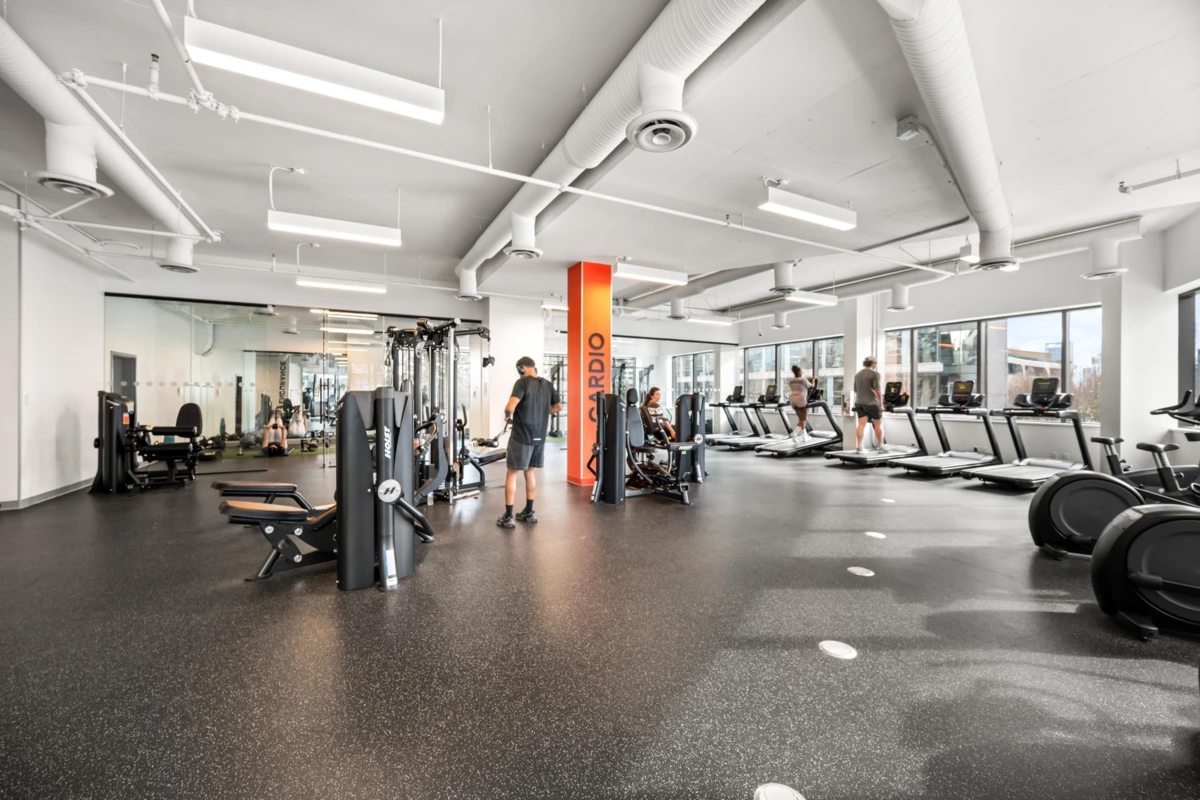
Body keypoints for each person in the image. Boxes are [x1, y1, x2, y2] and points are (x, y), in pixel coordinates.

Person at [498, 356, 561, 529]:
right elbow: (557, 407)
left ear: (521, 368)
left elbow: (511, 406)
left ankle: (508, 517)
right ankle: (529, 512)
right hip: (539, 437)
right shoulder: (548, 384)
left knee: (512, 473)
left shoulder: (522, 383)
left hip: (521, 436)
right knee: (530, 473)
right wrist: (542, 411)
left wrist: (507, 414)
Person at [853, 356, 884, 454]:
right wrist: (881, 404)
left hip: (859, 402)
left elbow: (855, 390)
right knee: (878, 424)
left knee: (861, 425)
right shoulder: (875, 374)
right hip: (871, 403)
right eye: (876, 363)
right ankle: (881, 446)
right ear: (873, 363)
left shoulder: (857, 374)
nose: (876, 365)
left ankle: (859, 447)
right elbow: (877, 390)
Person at [786, 365, 811, 441]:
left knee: (800, 419)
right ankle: (794, 433)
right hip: (800, 398)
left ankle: (804, 436)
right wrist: (812, 380)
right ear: (800, 372)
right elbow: (811, 386)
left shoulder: (791, 381)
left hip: (792, 398)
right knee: (803, 419)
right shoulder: (803, 380)